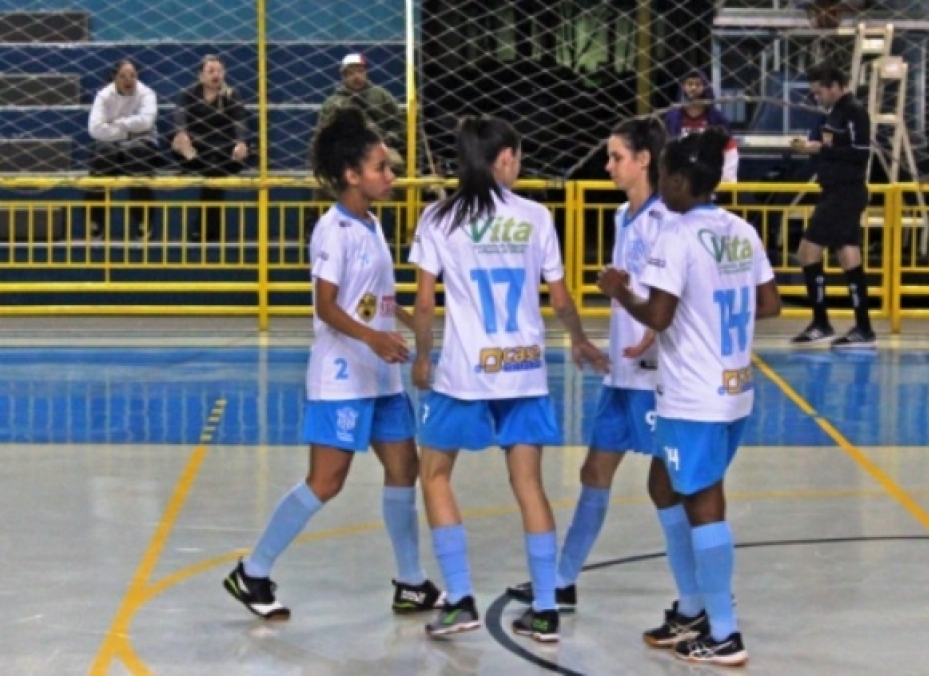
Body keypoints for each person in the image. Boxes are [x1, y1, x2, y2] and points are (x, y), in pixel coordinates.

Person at [223, 107, 442, 621]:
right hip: (343, 374)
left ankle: (410, 582)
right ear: (351, 175)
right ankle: (252, 571)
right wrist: (375, 338)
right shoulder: (333, 230)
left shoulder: (371, 224)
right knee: (326, 481)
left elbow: (375, 296)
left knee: (403, 467)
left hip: (380, 374)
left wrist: (409, 323)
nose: (390, 175)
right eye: (381, 167)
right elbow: (326, 305)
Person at [408, 115, 608, 643]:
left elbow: (425, 302)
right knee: (529, 486)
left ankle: (461, 597)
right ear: (503, 159)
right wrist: (581, 340)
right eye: (516, 156)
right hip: (524, 370)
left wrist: (422, 357)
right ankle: (545, 606)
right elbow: (560, 298)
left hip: (465, 373)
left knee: (434, 475)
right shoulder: (537, 217)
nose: (518, 165)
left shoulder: (438, 219)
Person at [504, 116, 699, 635]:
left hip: (657, 377)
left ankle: (692, 601)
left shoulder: (668, 220)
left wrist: (656, 334)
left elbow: (673, 296)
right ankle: (564, 579)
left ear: (643, 161)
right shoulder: (622, 217)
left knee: (670, 487)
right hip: (622, 373)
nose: (608, 165)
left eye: (616, 157)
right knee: (595, 473)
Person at [597, 127, 781, 667]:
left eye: (664, 178)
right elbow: (768, 304)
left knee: (703, 503)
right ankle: (694, 606)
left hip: (693, 393)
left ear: (677, 180)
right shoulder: (740, 231)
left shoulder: (674, 235)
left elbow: (658, 316)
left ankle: (724, 630)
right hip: (733, 387)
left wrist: (619, 291)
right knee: (663, 483)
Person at [789, 62, 875, 348]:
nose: (817, 98)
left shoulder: (854, 112)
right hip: (833, 191)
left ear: (836, 87)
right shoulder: (833, 114)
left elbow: (861, 152)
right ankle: (863, 326)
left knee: (807, 251)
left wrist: (821, 148)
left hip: (845, 194)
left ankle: (821, 321)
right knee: (849, 256)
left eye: (819, 92)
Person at [171, 55, 250, 242]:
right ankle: (211, 230)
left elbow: (240, 121)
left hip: (223, 153)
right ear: (200, 75)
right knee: (201, 160)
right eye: (211, 71)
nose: (216, 75)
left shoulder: (232, 95)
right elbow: (180, 119)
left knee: (214, 169)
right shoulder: (189, 94)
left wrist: (241, 142)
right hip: (196, 152)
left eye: (219, 71)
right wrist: (182, 136)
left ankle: (203, 227)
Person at [85, 59, 161, 239]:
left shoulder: (146, 93)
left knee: (137, 154)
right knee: (103, 155)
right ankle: (96, 220)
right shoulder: (104, 96)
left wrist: (116, 124)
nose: (129, 80)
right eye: (123, 76)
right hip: (114, 143)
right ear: (114, 78)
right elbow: (95, 129)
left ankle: (144, 220)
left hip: (141, 143)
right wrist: (127, 133)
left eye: (133, 75)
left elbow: (146, 122)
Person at [319, 54, 405, 173]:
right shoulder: (333, 103)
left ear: (366, 73)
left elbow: (399, 124)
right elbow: (323, 134)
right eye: (351, 73)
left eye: (360, 71)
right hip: (346, 153)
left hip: (379, 147)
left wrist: (388, 139)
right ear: (343, 77)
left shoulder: (381, 96)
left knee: (395, 165)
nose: (356, 76)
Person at [664, 70, 739, 182]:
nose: (693, 88)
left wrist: (726, 179)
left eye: (698, 84)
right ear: (683, 87)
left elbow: (729, 148)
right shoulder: (672, 117)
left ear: (705, 87)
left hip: (709, 177)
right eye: (689, 84)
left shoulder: (717, 118)